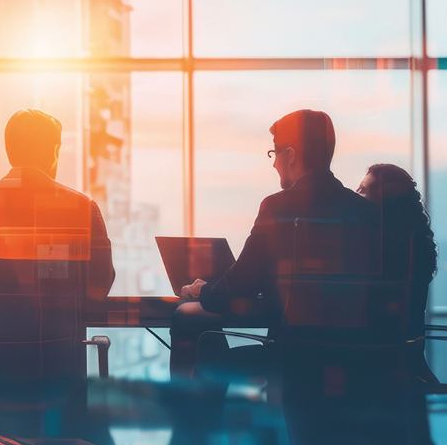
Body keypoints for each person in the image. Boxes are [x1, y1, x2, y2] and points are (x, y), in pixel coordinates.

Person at [171, 109, 380, 377]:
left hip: (291, 357)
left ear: (290, 155)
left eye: (275, 153)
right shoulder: (367, 213)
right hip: (358, 361)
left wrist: (205, 290)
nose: (273, 164)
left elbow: (240, 284)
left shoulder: (277, 208)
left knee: (187, 318)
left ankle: (190, 416)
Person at [0, 109, 115, 300]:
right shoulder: (81, 207)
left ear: (9, 150)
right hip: (59, 327)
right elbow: (99, 286)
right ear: (54, 151)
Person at [357, 163, 439, 387]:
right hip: (410, 369)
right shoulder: (415, 246)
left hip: (379, 375)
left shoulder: (376, 251)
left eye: (363, 190)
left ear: (382, 201)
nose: (355, 194)